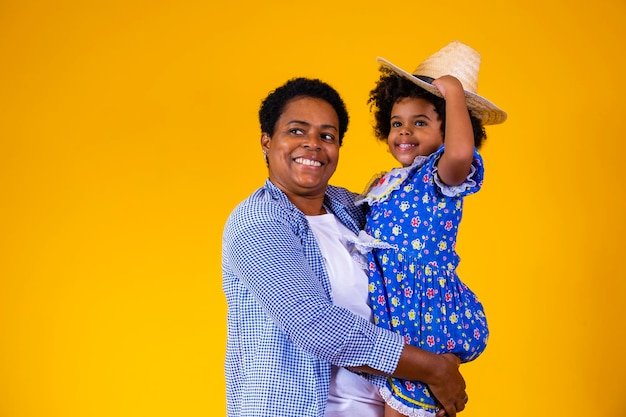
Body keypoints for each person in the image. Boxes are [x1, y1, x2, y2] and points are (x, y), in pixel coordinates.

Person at [222, 77, 469, 417]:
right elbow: (314, 325)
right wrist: (432, 369)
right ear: (266, 140)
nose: (313, 145)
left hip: (389, 405)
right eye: (296, 131)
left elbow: (415, 280)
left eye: (327, 135)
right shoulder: (258, 221)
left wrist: (437, 370)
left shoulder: (356, 208)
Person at [355, 41, 507, 417]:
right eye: (396, 123)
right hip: (389, 307)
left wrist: (453, 91)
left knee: (406, 404)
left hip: (419, 310)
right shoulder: (387, 180)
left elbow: (459, 153)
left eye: (420, 122)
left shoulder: (441, 174)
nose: (404, 133)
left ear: (452, 128)